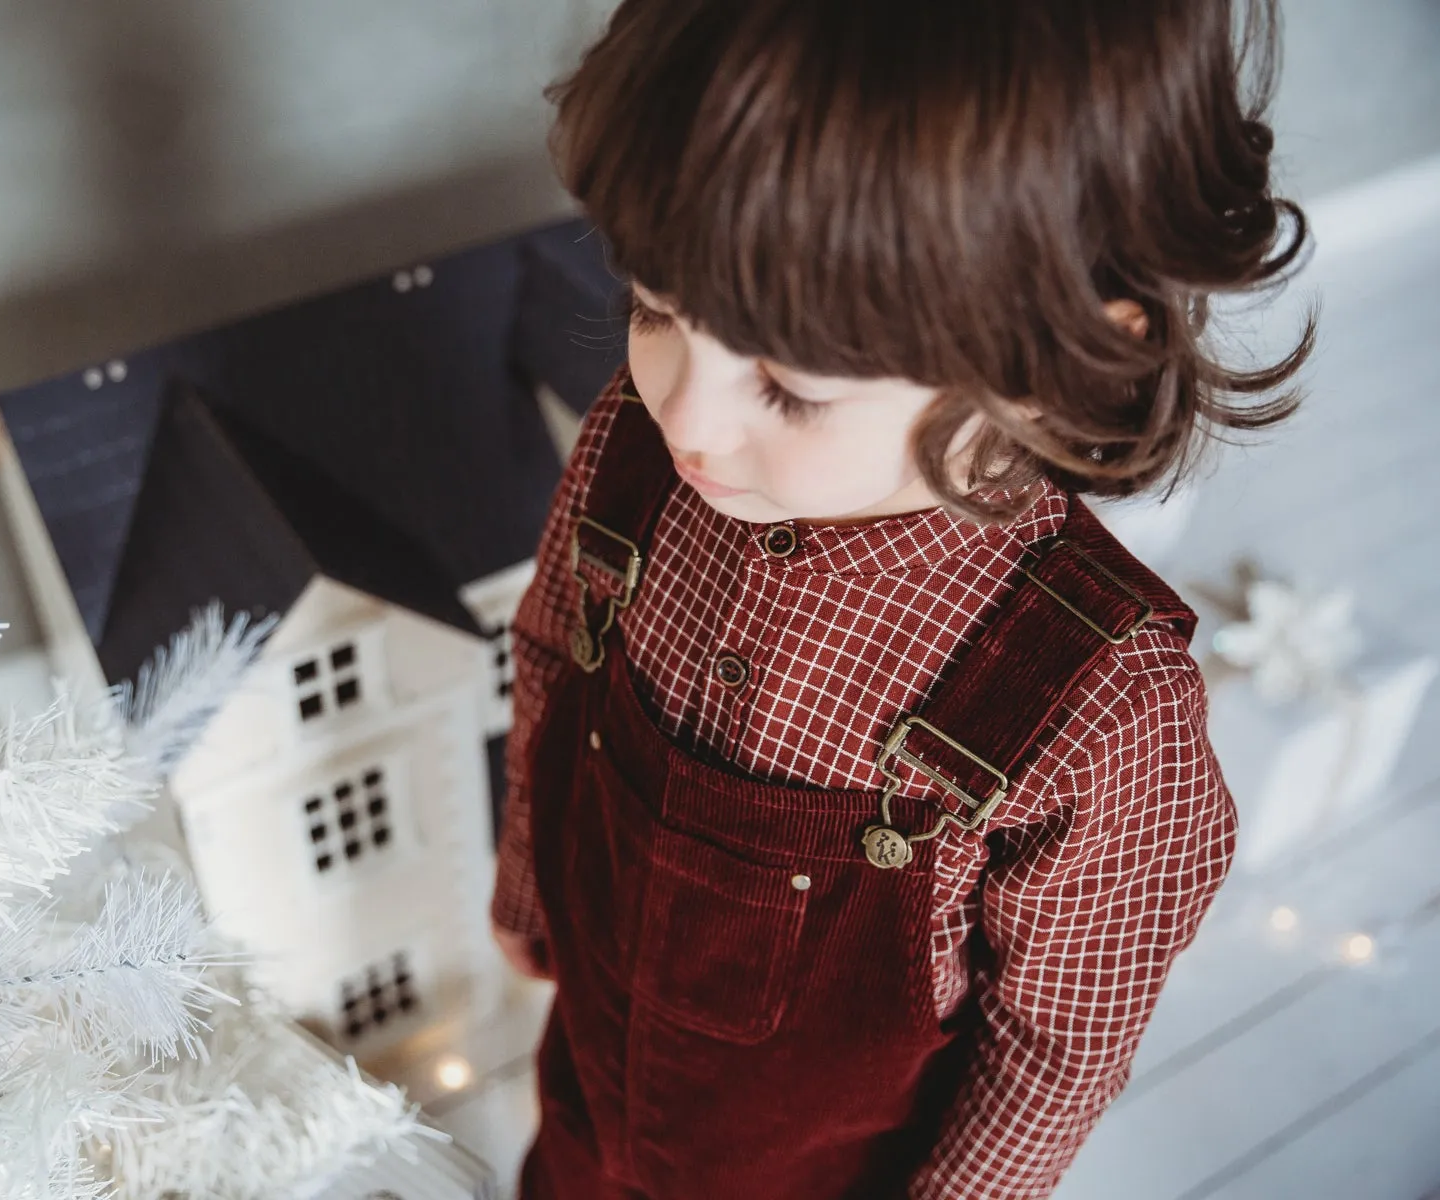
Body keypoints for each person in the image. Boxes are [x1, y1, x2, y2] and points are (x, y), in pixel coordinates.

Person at [488, 2, 1314, 1197]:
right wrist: (525, 876)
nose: (688, 415)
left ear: (1049, 359)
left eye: (791, 385)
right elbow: (551, 652)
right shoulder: (632, 444)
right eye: (658, 309)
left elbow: (1054, 1051)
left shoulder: (1097, 714)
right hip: (589, 1099)